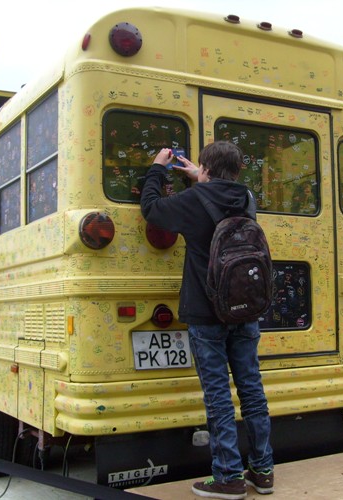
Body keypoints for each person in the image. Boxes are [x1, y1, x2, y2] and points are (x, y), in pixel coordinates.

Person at [141, 142, 274, 499]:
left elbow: (151, 208)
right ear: (239, 170)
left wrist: (158, 168)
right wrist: (198, 179)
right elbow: (218, 196)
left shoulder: (193, 200)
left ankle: (228, 477)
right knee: (252, 391)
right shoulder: (246, 198)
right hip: (245, 309)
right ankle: (262, 471)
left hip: (206, 312)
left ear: (205, 168)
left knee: (218, 396)